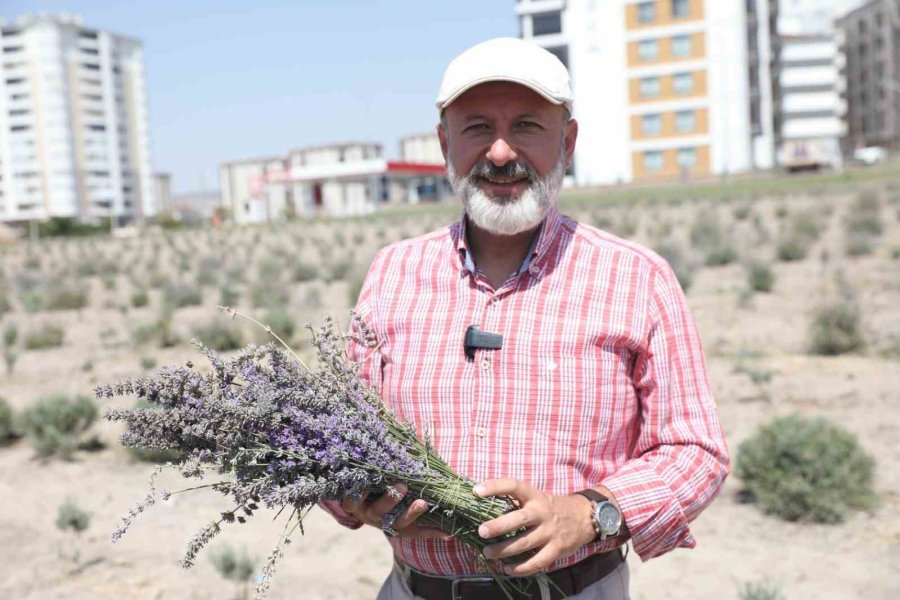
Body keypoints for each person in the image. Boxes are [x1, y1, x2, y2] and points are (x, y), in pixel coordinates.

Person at [322, 37, 730, 600]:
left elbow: (696, 452)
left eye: (528, 127)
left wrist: (589, 514)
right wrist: (356, 493)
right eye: (476, 128)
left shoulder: (637, 277)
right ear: (445, 143)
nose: (499, 152)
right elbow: (338, 436)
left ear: (568, 140)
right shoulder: (393, 271)